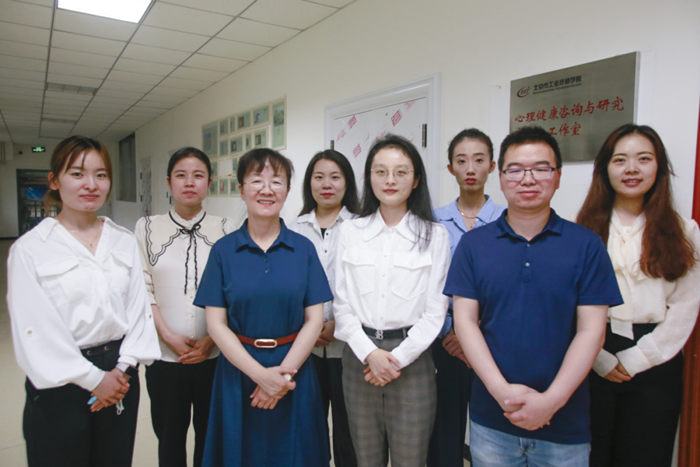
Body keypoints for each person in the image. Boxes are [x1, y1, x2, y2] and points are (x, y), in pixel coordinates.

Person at [444, 126, 623, 467]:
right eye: (515, 170)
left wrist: (551, 400)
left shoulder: (586, 245)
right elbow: (465, 322)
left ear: (558, 177)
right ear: (500, 177)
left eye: (541, 168)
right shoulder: (474, 245)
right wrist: (501, 392)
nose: (528, 179)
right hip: (492, 417)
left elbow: (592, 331)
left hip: (565, 420)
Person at [7, 135, 160, 467]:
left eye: (100, 175)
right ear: (54, 180)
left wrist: (121, 370)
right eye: (77, 174)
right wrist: (95, 381)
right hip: (61, 381)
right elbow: (35, 331)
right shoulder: (31, 249)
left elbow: (138, 312)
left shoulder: (122, 240)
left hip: (120, 375)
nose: (91, 184)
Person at [193, 148, 332, 466]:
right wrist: (261, 376)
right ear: (241, 189)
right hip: (238, 371)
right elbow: (216, 325)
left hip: (294, 370)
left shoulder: (304, 249)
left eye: (277, 181)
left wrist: (281, 378)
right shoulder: (223, 251)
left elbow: (314, 320)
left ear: (287, 190)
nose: (267, 189)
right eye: (257, 180)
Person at [575, 124, 700, 467]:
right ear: (604, 168)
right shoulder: (580, 230)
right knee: (590, 456)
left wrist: (640, 358)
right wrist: (598, 358)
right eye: (620, 160)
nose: (632, 168)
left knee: (645, 455)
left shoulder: (684, 230)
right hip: (591, 352)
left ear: (659, 167)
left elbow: (686, 305)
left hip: (657, 358)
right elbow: (567, 302)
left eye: (644, 159)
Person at [333, 134, 451, 467]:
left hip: (412, 361)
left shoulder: (434, 235)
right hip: (360, 360)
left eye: (401, 172)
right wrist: (371, 354)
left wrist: (395, 360)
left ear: (416, 180)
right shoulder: (350, 232)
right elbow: (342, 305)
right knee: (366, 459)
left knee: (411, 460)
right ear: (369, 178)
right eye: (380, 171)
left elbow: (435, 312)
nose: (390, 180)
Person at [135, 147, 237, 467]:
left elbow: (235, 291)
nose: (189, 182)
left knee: (211, 439)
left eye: (198, 175)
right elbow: (142, 288)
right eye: (181, 175)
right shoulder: (147, 228)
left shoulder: (228, 228)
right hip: (165, 357)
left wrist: (211, 340)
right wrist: (166, 335)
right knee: (170, 438)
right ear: (169, 182)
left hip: (216, 356)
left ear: (209, 183)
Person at [429, 128, 505, 466]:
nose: (470, 168)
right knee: (444, 428)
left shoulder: (507, 219)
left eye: (479, 160)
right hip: (446, 341)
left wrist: (476, 333)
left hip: (494, 341)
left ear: (492, 166)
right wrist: (453, 330)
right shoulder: (433, 221)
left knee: (494, 427)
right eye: (461, 161)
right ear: (451, 168)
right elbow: (426, 285)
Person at [288, 149, 360, 467]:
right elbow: (288, 287)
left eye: (335, 177)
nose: (326, 184)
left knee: (350, 432)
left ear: (347, 183)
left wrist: (338, 323)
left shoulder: (362, 227)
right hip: (305, 349)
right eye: (319, 177)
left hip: (351, 349)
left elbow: (367, 286)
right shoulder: (293, 230)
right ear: (309, 183)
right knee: (309, 429)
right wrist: (310, 324)